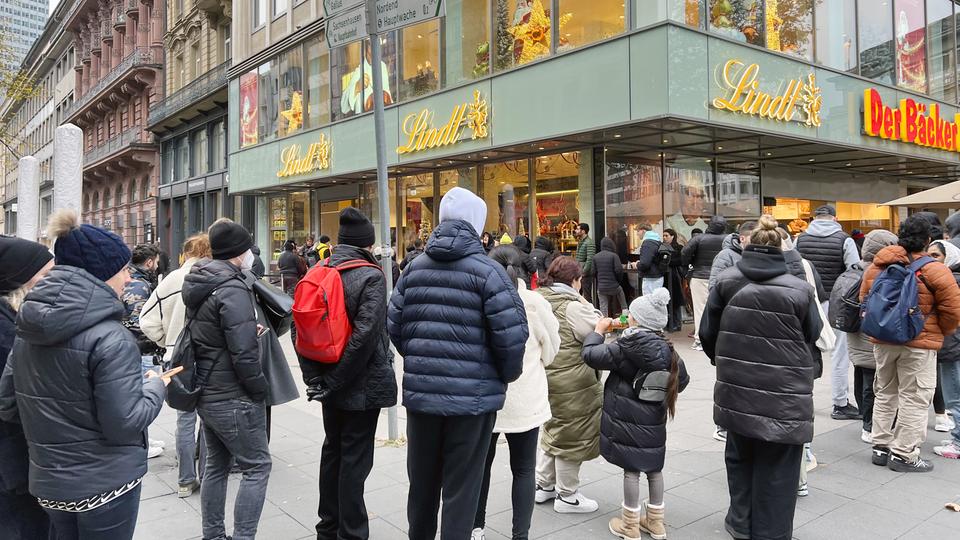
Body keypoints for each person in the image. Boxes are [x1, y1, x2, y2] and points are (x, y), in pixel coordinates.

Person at [0, 210, 168, 540]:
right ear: (103, 274)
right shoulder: (109, 336)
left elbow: (8, 404)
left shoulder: (27, 325)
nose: (129, 278)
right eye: (122, 270)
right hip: (104, 485)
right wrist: (156, 387)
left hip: (49, 486)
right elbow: (124, 423)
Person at [387, 187, 528, 540]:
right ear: (477, 225)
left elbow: (395, 325)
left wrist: (422, 360)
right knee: (462, 490)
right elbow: (511, 340)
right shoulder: (490, 273)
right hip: (473, 402)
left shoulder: (413, 269)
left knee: (421, 485)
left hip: (423, 397)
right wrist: (502, 376)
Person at [699, 215, 821, 540]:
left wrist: (726, 363)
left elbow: (707, 334)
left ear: (746, 244)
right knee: (780, 467)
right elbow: (813, 333)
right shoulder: (799, 289)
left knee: (740, 458)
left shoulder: (726, 281)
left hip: (736, 390)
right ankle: (772, 531)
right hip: (785, 394)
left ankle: (741, 523)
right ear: (782, 247)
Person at [299, 208, 398, 540]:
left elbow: (301, 329)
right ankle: (352, 533)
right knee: (355, 460)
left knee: (333, 452)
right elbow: (366, 339)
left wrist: (317, 380)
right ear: (368, 244)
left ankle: (327, 527)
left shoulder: (318, 269)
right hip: (359, 384)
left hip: (329, 382)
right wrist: (337, 381)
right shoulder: (370, 276)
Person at [182, 218, 271, 540]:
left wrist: (246, 332)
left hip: (208, 390)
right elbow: (244, 355)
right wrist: (259, 389)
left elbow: (214, 334)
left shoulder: (201, 281)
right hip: (233, 394)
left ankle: (214, 535)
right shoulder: (232, 288)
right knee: (257, 467)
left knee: (216, 468)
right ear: (238, 252)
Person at [582, 288, 689, 540]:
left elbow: (590, 356)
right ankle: (655, 523)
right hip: (653, 421)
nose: (628, 316)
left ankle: (629, 525)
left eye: (632, 314)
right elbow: (682, 381)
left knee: (631, 470)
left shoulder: (626, 346)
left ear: (638, 320)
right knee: (654, 469)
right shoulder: (669, 350)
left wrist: (597, 332)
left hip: (627, 419)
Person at [861, 215, 960, 473]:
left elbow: (865, 301)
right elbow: (953, 311)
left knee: (885, 392)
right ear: (928, 240)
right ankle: (904, 454)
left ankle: (880, 446)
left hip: (883, 341)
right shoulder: (936, 269)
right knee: (915, 398)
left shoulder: (878, 265)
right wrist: (940, 332)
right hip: (920, 343)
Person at [473, 246, 560, 540]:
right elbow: (552, 350)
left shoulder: (478, 298)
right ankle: (520, 535)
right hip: (526, 398)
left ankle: (476, 528)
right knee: (524, 469)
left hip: (485, 397)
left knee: (479, 467)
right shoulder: (535, 302)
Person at [140, 234, 212, 498]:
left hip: (175, 357)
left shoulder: (170, 280)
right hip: (205, 356)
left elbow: (146, 320)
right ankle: (207, 476)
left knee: (184, 418)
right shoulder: (212, 278)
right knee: (207, 418)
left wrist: (168, 340)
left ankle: (185, 480)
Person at [535, 256, 603, 514]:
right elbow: (596, 329)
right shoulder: (572, 306)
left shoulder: (539, 298)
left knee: (553, 429)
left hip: (545, 375)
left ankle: (544, 486)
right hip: (572, 380)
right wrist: (584, 300)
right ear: (575, 281)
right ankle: (568, 495)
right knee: (572, 435)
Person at [0, 236, 55, 539]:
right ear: (18, 282)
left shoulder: (14, 320)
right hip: (12, 467)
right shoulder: (8, 331)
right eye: (46, 276)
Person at [832, 230, 898, 446]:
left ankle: (865, 418)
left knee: (862, 373)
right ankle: (870, 425)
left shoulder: (852, 271)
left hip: (854, 332)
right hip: (871, 333)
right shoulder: (879, 273)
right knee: (873, 381)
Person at [795, 205, 861, 421]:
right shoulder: (844, 240)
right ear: (835, 218)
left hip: (807, 300)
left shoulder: (800, 239)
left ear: (814, 218)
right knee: (839, 354)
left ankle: (802, 398)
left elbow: (795, 268)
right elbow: (854, 272)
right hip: (836, 302)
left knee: (804, 351)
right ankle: (840, 403)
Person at [121, 243, 165, 458]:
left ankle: (144, 435)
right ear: (149, 262)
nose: (157, 266)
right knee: (142, 395)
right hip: (140, 349)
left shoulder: (134, 279)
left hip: (135, 348)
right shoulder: (139, 285)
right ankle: (141, 442)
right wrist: (158, 339)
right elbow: (138, 323)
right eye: (156, 262)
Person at [927, 239, 960, 446]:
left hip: (953, 345)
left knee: (954, 396)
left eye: (936, 256)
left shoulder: (951, 280)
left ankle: (957, 442)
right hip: (952, 344)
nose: (932, 261)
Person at [681, 215, 727, 351]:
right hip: (721, 276)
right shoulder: (728, 239)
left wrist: (690, 263)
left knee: (700, 309)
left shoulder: (699, 238)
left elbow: (684, 253)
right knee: (721, 308)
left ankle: (700, 340)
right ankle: (718, 338)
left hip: (699, 276)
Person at [708, 221, 757, 290]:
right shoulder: (726, 255)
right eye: (753, 238)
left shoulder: (759, 255)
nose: (757, 241)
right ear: (742, 239)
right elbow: (714, 286)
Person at [595, 237, 627, 317]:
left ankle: (605, 324)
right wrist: (618, 281)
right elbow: (619, 270)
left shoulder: (595, 257)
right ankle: (624, 315)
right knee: (620, 291)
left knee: (603, 307)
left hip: (601, 287)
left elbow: (593, 272)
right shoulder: (614, 256)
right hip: (614, 286)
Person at [662, 229, 685, 333]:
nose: (664, 238)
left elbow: (680, 261)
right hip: (665, 277)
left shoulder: (679, 248)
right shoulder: (662, 247)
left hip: (675, 276)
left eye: (666, 235)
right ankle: (670, 323)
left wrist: (668, 262)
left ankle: (677, 323)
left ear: (672, 236)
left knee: (675, 301)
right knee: (667, 300)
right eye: (663, 236)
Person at [635, 228, 666, 294]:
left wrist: (637, 264)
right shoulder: (657, 241)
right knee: (656, 301)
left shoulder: (648, 243)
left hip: (650, 279)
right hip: (658, 276)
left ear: (643, 230)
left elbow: (644, 264)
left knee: (649, 302)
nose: (637, 233)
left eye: (638, 231)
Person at [575, 223, 597, 304]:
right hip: (579, 273)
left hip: (585, 274)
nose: (576, 231)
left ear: (583, 231)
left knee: (587, 296)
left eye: (578, 229)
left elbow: (590, 259)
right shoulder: (581, 241)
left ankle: (590, 313)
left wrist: (583, 273)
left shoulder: (589, 242)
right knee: (577, 295)